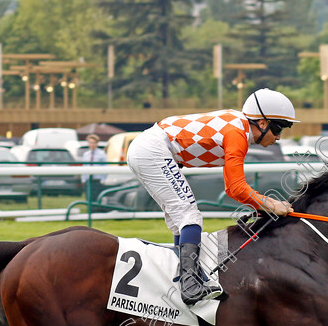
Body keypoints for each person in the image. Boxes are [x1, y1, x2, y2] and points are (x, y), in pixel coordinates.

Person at [126, 88, 297, 305]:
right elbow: (235, 188)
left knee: (183, 218)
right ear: (262, 123)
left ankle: (186, 278)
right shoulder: (237, 133)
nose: (280, 137)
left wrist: (263, 205)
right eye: (278, 128)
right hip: (152, 150)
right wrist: (271, 204)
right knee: (189, 215)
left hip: (151, 148)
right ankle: (189, 285)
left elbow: (232, 187)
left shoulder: (239, 128)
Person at [79, 133, 108, 198]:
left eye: (94, 143)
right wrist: (83, 179)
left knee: (96, 197)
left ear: (97, 143)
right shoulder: (86, 154)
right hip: (88, 180)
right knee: (88, 197)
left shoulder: (102, 154)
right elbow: (84, 167)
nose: (92, 145)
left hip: (97, 180)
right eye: (90, 143)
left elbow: (105, 167)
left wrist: (103, 179)